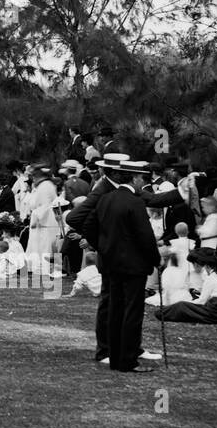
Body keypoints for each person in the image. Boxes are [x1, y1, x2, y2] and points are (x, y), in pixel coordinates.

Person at [66, 159, 160, 374]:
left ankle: (115, 356)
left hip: (110, 262)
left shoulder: (105, 199)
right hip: (133, 265)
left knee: (115, 310)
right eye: (142, 179)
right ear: (134, 178)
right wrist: (155, 259)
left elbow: (89, 227)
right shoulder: (135, 202)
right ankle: (127, 359)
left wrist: (104, 247)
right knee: (132, 312)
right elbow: (145, 236)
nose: (142, 183)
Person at [157, 247, 217, 324]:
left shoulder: (211, 278)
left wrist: (190, 302)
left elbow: (202, 301)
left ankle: (161, 313)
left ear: (208, 266)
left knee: (182, 305)